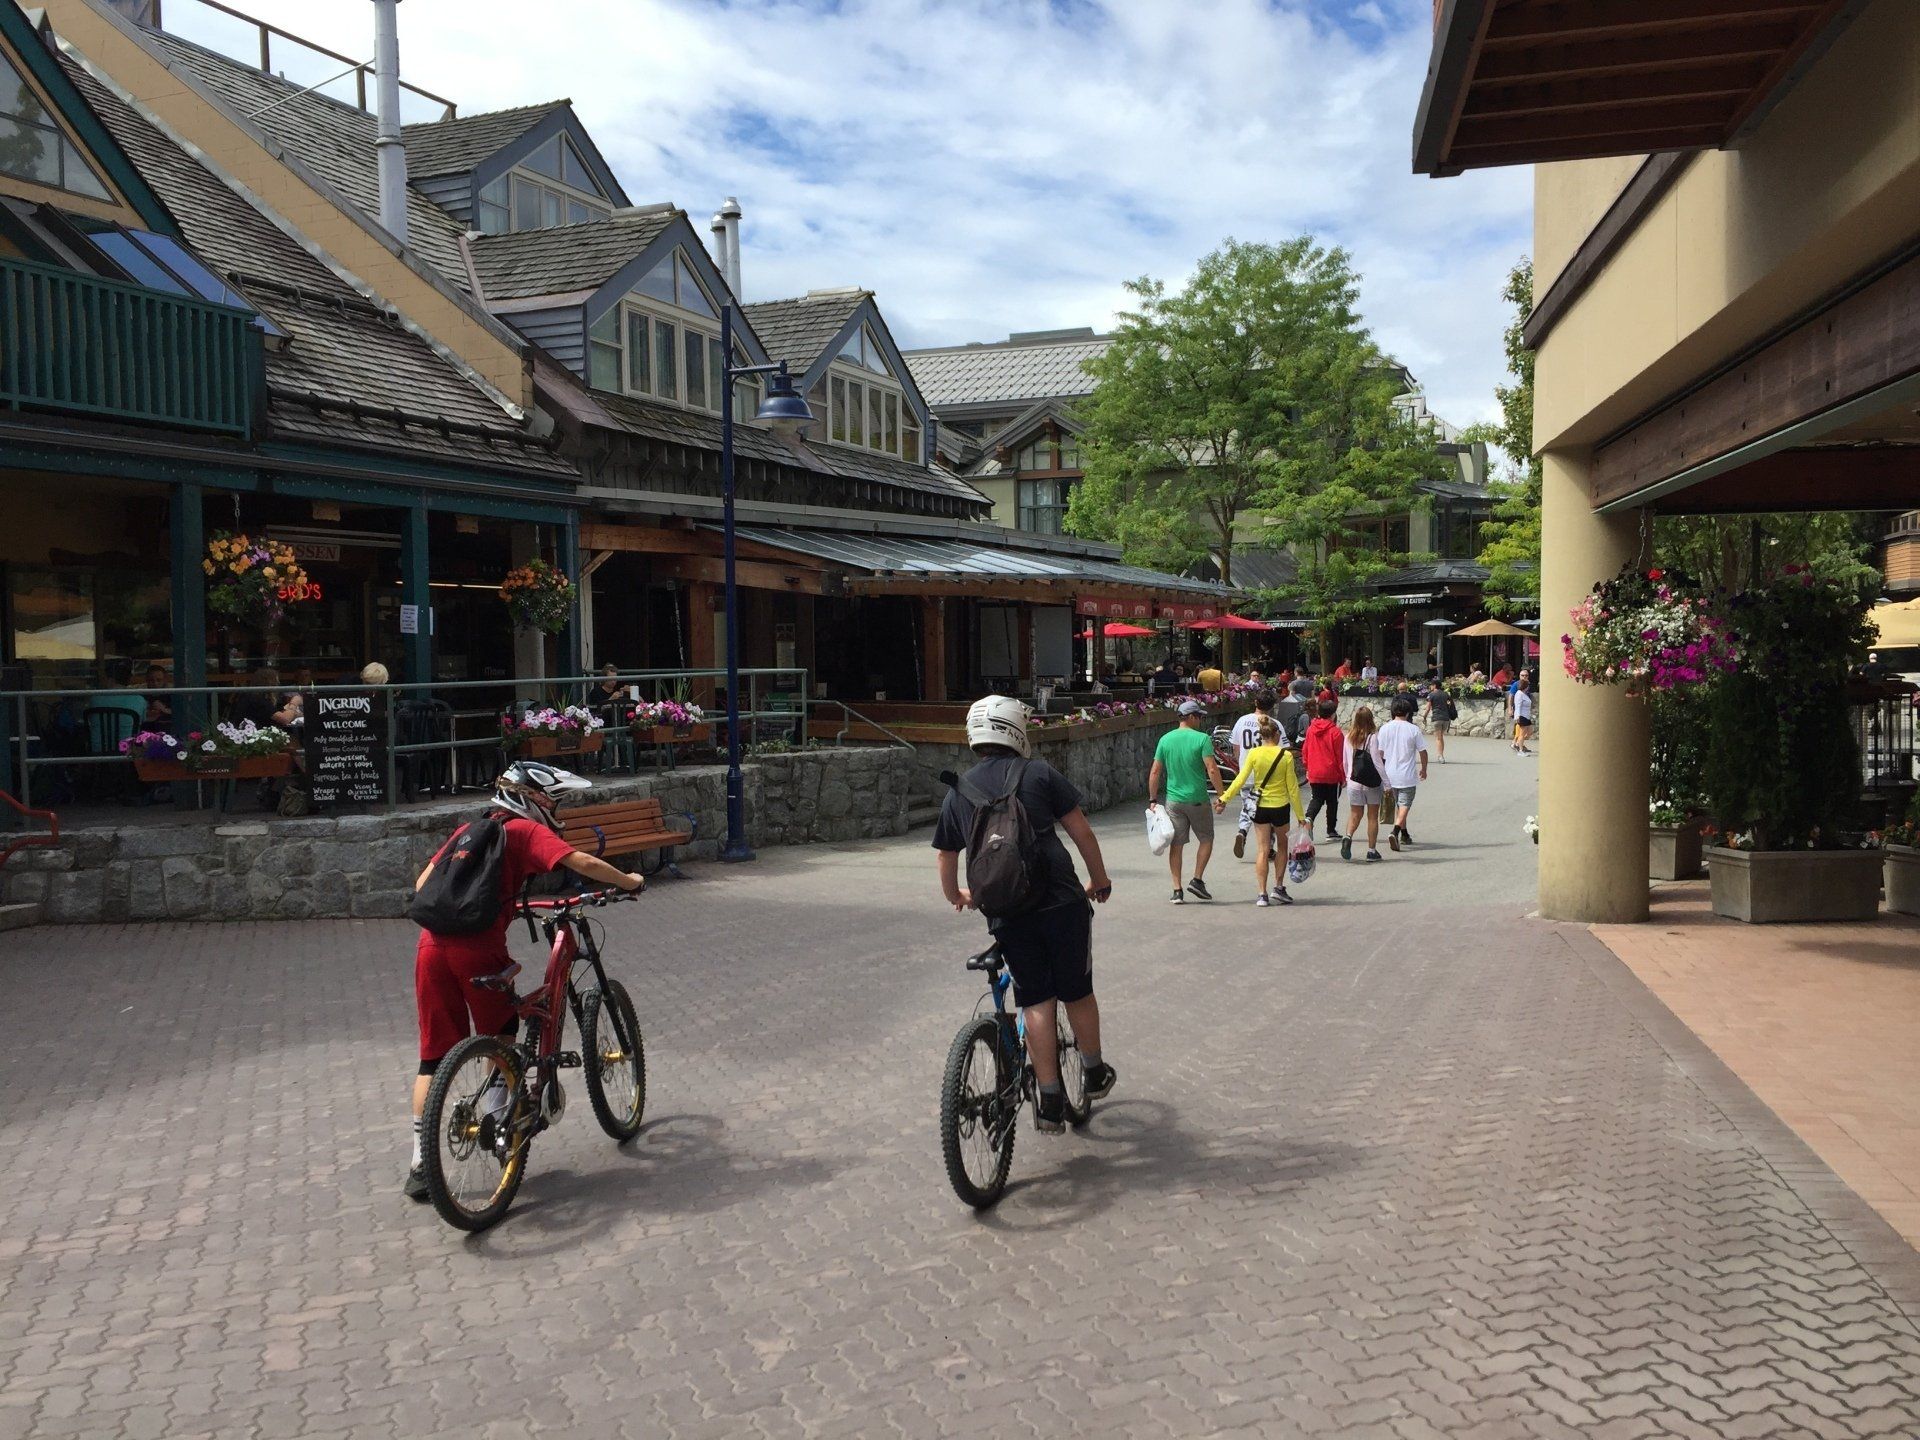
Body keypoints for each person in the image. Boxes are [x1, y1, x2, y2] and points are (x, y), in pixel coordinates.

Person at [404, 760, 644, 1201]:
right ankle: (502, 1131)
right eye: (554, 800)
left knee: (433, 1057)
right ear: (533, 799)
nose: (558, 810)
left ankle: (420, 1163)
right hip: (477, 950)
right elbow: (581, 859)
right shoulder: (523, 831)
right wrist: (628, 880)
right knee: (503, 1037)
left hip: (429, 948)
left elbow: (424, 883)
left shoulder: (469, 830)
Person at [933, 696, 1115, 1135]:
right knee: (1076, 989)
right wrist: (1100, 879)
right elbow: (1082, 832)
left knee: (1035, 998)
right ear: (1017, 730)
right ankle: (1092, 1071)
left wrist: (959, 894)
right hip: (1061, 902)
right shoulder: (1038, 774)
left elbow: (946, 854)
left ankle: (1049, 1099)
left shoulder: (958, 790)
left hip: (1007, 909)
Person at [1215, 713, 1304, 907]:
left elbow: (1240, 779)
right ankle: (1279, 887)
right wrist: (1301, 816)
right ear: (1276, 734)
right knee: (1282, 847)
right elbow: (1293, 788)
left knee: (1262, 849)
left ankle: (1261, 893)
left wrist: (1224, 798)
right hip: (1280, 806)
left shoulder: (1254, 754)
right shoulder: (1285, 755)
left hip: (1260, 806)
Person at [1149, 699, 1225, 903]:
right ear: (1190, 717)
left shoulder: (1165, 739)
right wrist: (1221, 795)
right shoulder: (1202, 739)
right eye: (1199, 716)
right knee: (1206, 839)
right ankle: (1197, 880)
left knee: (1176, 844)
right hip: (1198, 799)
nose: (1200, 719)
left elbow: (1155, 771)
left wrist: (1153, 799)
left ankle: (1177, 890)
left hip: (1174, 801)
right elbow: (1211, 768)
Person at [1376, 695, 1429, 851]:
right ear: (1408, 713)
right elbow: (1423, 751)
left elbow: (1379, 753)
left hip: (1388, 774)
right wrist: (1424, 768)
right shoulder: (1413, 729)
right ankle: (1396, 830)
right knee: (1405, 804)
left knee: (1399, 805)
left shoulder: (1385, 728)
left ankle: (1404, 834)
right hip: (1407, 775)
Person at [1228, 689, 1275, 859]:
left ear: (1256, 702)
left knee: (1248, 806)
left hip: (1246, 773)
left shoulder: (1242, 721)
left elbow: (1235, 747)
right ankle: (1269, 847)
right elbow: (1282, 750)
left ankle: (1242, 831)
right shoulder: (1273, 724)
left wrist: (1240, 762)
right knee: (1270, 812)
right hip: (1268, 776)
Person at [1340, 705, 1388, 863]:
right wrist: (1387, 784)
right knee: (1372, 816)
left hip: (1354, 781)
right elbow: (1377, 762)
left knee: (1355, 813)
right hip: (1371, 783)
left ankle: (1348, 837)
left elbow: (1346, 761)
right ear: (1370, 719)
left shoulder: (1348, 737)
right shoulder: (1372, 737)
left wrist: (1347, 778)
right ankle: (1371, 850)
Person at [1302, 698, 1346, 840]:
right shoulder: (1336, 732)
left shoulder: (1311, 729)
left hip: (1315, 770)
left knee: (1317, 798)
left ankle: (1309, 818)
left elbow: (1305, 750)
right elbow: (1340, 757)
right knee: (1332, 801)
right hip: (1331, 772)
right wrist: (1343, 776)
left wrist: (1307, 766)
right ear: (1333, 714)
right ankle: (1331, 830)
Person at [1424, 679, 1457, 763]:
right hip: (1446, 719)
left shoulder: (1431, 695)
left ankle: (1441, 756)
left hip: (1436, 718)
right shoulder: (1446, 694)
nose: (1430, 686)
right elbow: (1450, 705)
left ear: (1434, 685)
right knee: (1441, 737)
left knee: (1438, 738)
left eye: (1431, 685)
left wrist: (1424, 717)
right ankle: (1441, 754)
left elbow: (1428, 708)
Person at [1512, 676, 1535, 755]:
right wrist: (1517, 716)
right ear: (1525, 686)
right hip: (1522, 716)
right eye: (1528, 685)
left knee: (1530, 732)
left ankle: (1518, 744)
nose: (1529, 687)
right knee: (1522, 734)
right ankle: (1520, 750)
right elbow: (1517, 706)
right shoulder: (1519, 694)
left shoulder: (1524, 694)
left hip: (1526, 716)